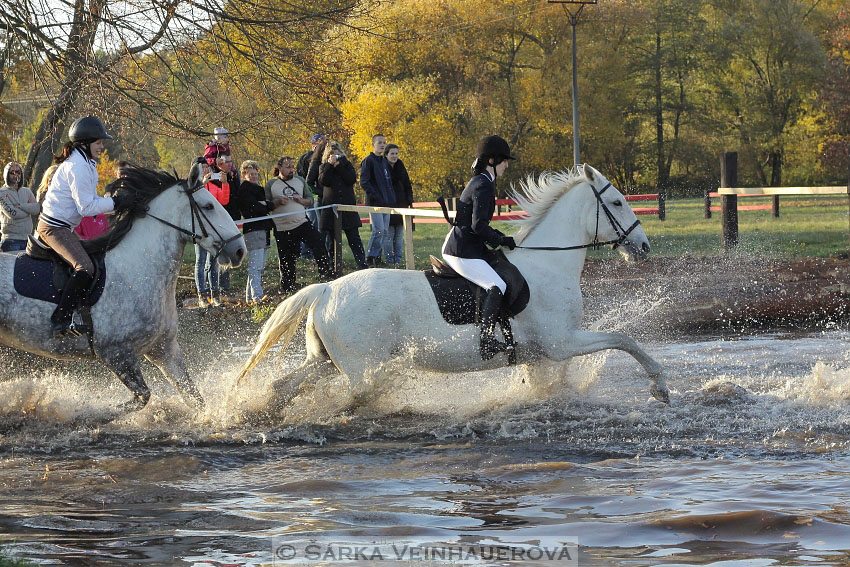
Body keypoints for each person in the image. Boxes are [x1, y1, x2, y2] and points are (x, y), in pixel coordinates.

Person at [37, 115, 132, 337]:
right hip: (53, 228)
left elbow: (92, 202)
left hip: (63, 227)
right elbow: (86, 208)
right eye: (98, 142)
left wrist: (116, 205)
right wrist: (117, 202)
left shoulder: (86, 163)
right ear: (84, 143)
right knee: (85, 267)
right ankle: (61, 320)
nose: (101, 146)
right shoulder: (77, 166)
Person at [441, 135, 517, 360]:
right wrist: (500, 239)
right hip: (461, 250)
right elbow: (478, 225)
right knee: (497, 285)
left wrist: (500, 237)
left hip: (469, 244)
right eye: (504, 160)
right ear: (492, 160)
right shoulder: (484, 184)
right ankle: (486, 339)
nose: (507, 165)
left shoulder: (483, 181)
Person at [265, 156, 334, 294]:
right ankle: (288, 286)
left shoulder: (300, 180)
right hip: (282, 227)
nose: (291, 169)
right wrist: (278, 201)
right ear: (279, 168)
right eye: (287, 166)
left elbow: (310, 199)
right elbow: (266, 204)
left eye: (292, 166)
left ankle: (325, 274)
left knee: (318, 243)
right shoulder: (271, 184)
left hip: (301, 223)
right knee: (287, 258)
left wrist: (301, 200)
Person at [317, 141, 368, 270]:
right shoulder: (323, 167)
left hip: (347, 207)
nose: (335, 157)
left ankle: (362, 264)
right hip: (330, 208)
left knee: (354, 237)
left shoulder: (347, 165)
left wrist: (339, 166)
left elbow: (351, 179)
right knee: (331, 240)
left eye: (337, 155)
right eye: (332, 155)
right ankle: (333, 266)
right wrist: (329, 165)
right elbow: (324, 181)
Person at [238, 159, 274, 304]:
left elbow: (267, 205)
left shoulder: (259, 189)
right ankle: (257, 296)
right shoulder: (245, 190)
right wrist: (264, 205)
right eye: (250, 174)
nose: (254, 176)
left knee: (260, 265)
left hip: (263, 229)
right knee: (255, 266)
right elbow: (255, 208)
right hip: (254, 230)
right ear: (244, 175)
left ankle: (249, 297)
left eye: (255, 174)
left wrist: (266, 204)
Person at [359, 133, 395, 267]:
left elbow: (388, 182)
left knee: (385, 231)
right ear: (373, 144)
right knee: (378, 230)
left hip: (386, 202)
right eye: (379, 142)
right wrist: (376, 196)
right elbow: (364, 181)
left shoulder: (384, 162)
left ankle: (377, 256)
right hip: (375, 202)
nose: (382, 145)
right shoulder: (368, 161)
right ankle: (369, 256)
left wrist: (391, 198)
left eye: (384, 142)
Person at [384, 144, 414, 265]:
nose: (395, 156)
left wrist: (409, 199)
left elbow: (407, 183)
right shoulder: (383, 167)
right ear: (386, 155)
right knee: (389, 234)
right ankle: (390, 260)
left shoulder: (400, 166)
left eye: (396, 153)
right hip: (388, 203)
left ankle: (398, 259)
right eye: (392, 153)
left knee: (399, 234)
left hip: (401, 203)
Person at [0, 162, 40, 252]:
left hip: (28, 240)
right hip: (11, 241)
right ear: (6, 174)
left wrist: (20, 206)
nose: (15, 175)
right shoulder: (2, 193)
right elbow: (14, 214)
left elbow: (37, 209)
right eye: (12, 172)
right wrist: (29, 209)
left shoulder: (27, 191)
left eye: (18, 172)